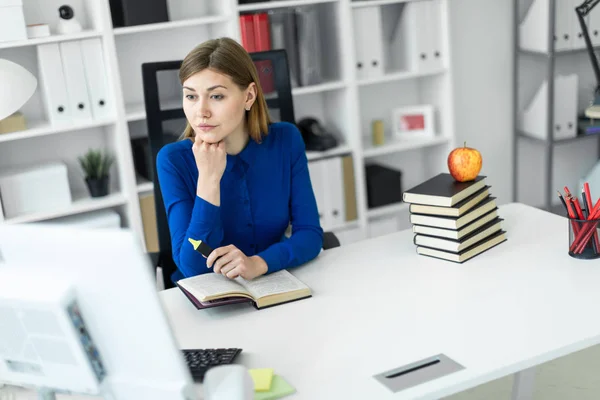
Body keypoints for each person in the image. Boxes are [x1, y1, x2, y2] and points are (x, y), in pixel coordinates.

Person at [156, 37, 323, 284]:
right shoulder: (173, 161)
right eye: (191, 97)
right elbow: (193, 263)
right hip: (212, 298)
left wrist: (258, 263)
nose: (201, 111)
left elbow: (310, 234)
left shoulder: (286, 140)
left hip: (273, 281)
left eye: (216, 96)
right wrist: (209, 181)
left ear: (249, 96)